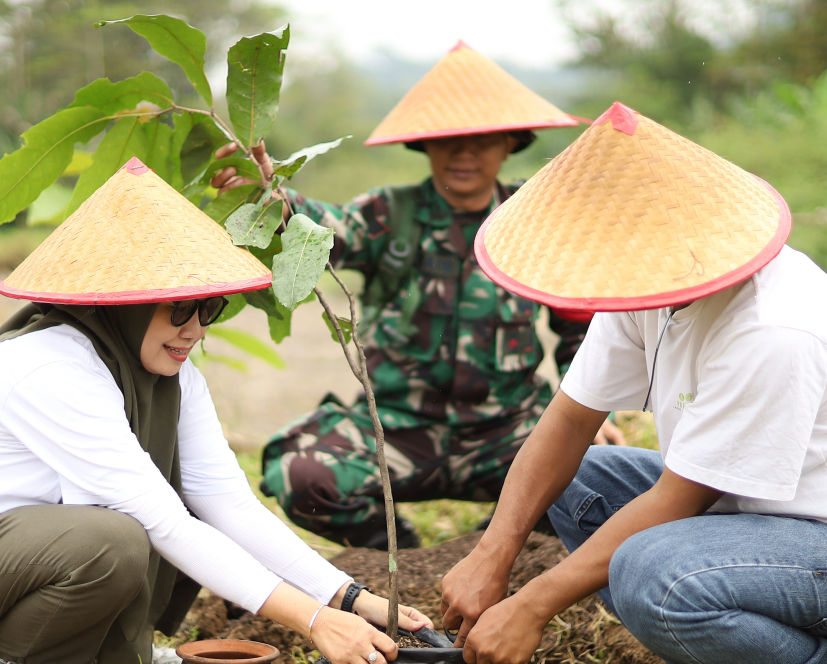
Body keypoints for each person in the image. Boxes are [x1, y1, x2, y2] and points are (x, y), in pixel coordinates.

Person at [439, 103, 827, 664]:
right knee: (582, 483)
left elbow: (678, 500)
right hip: (753, 522)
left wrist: (529, 606)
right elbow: (568, 420)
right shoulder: (646, 283)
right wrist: (491, 555)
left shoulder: (775, 325)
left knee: (648, 567)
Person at [0, 158, 432, 664]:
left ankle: (97, 655)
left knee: (174, 517)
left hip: (18, 544)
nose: (196, 329)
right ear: (124, 304)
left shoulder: (174, 377)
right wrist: (313, 622)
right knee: (115, 538)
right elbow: (161, 521)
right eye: (180, 308)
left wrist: (350, 598)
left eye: (209, 308)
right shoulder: (49, 367)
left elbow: (226, 504)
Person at [213, 42, 624, 550]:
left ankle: (496, 549)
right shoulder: (390, 214)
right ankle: (404, 561)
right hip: (395, 429)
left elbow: (580, 328)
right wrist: (271, 193)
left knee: (599, 474)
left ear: (511, 143)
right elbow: (321, 228)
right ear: (426, 146)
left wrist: (588, 416)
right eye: (448, 140)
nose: (464, 154)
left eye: (483, 139)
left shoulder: (534, 218)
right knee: (304, 473)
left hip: (509, 434)